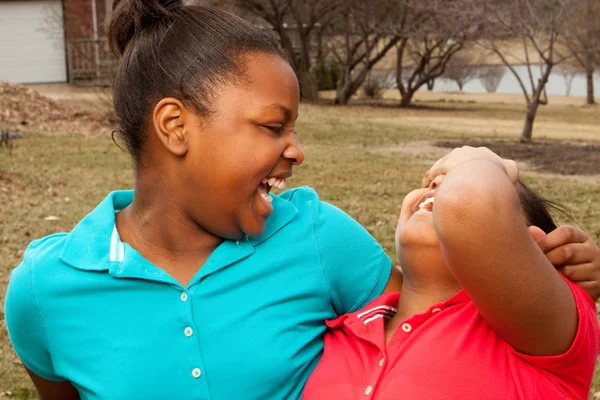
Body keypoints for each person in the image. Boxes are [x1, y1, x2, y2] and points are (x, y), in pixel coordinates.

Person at [3, 2, 600, 400]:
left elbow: (430, 309)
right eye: (272, 126)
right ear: (175, 127)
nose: (296, 151)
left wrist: (544, 274)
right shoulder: (44, 288)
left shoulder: (317, 235)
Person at [303, 154, 600, 399]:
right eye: (434, 182)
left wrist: (484, 161)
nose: (441, 185)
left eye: (457, 178)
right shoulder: (341, 328)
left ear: (532, 247)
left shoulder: (542, 333)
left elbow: (467, 202)